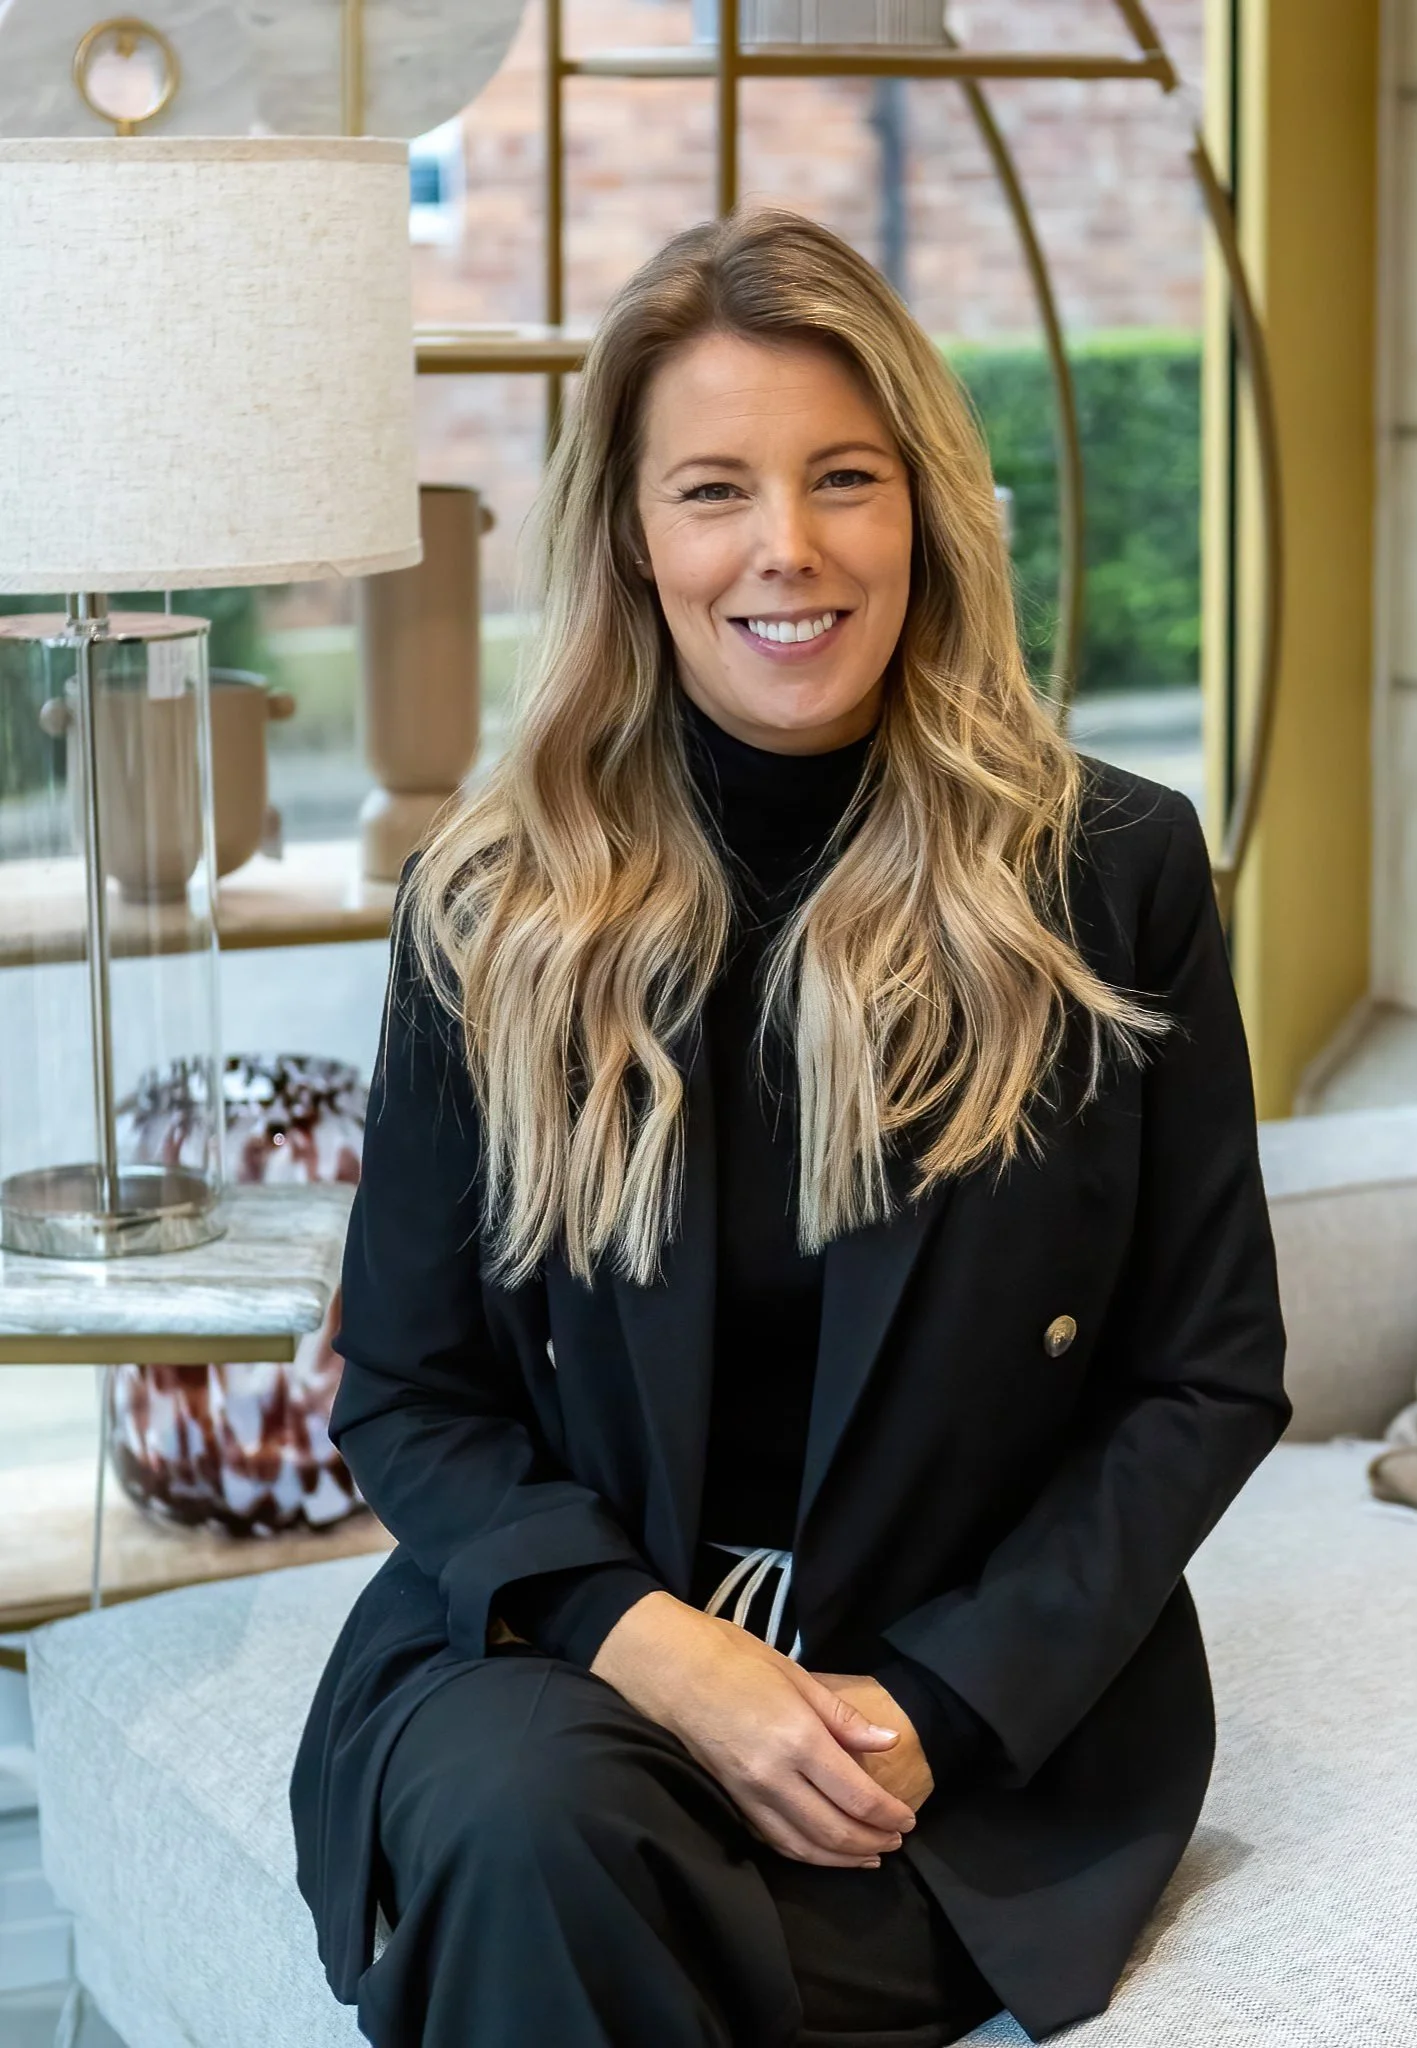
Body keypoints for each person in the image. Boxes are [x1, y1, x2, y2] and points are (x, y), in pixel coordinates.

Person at [290, 205, 1290, 2048]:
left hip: (956, 1742)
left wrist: (928, 1702)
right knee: (529, 1829)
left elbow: (1206, 1377)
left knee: (561, 1911)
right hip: (565, 1661)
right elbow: (410, 1393)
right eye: (713, 491)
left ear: (924, 508)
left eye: (845, 477)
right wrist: (681, 1671)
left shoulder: (1110, 876)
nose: (789, 551)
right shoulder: (487, 906)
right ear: (629, 538)